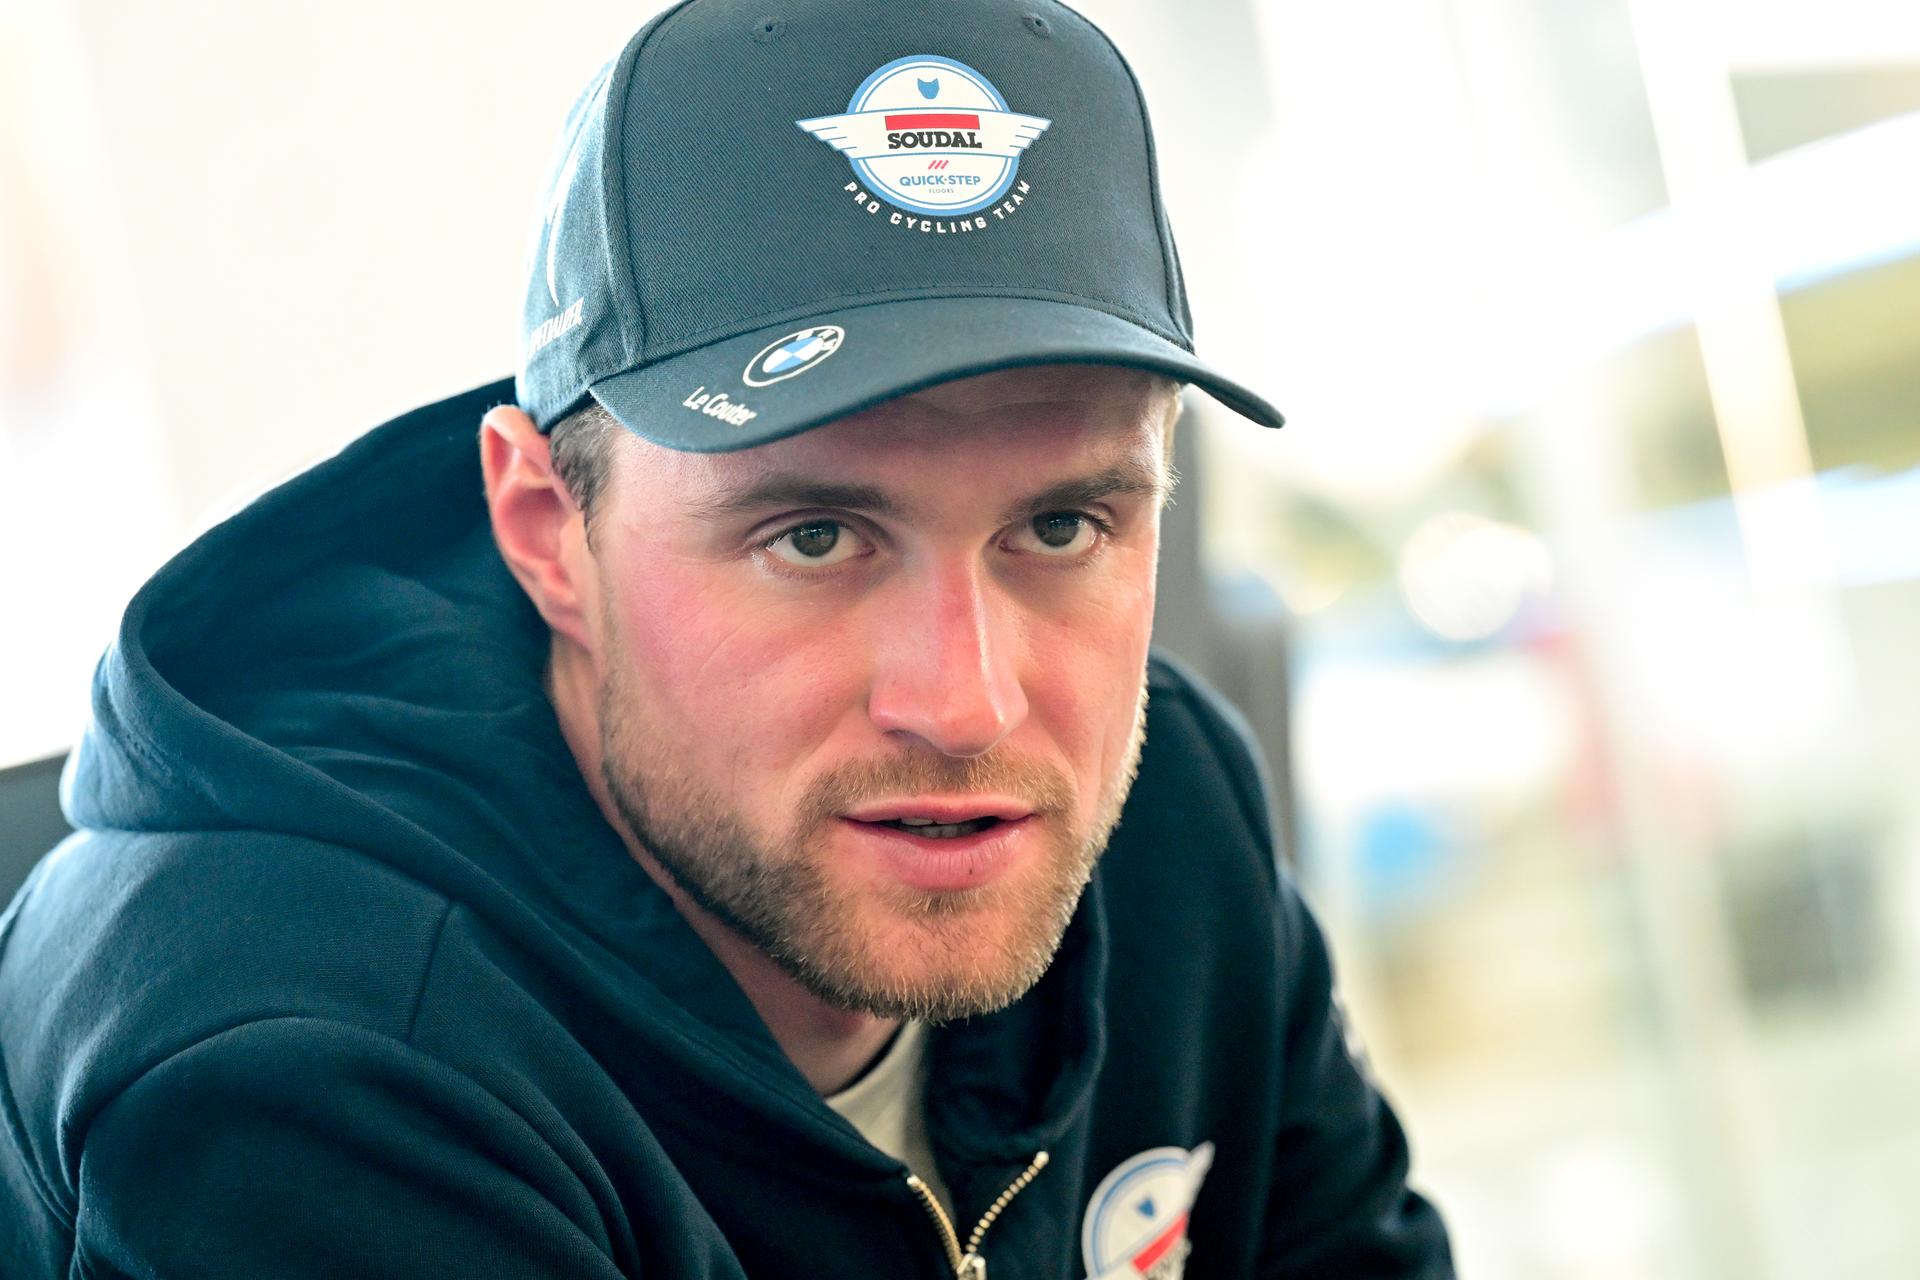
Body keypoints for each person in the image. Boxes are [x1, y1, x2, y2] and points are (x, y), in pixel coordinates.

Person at [0, 0, 1453, 1275]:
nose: (968, 702)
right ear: (544, 531)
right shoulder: (306, 1063)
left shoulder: (1165, 820)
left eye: (1063, 528)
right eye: (813, 537)